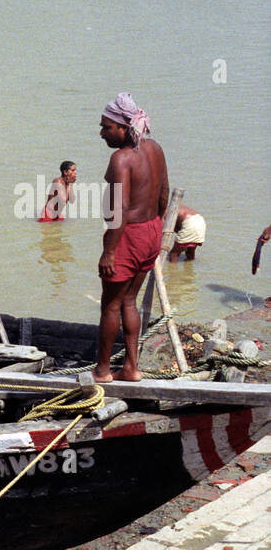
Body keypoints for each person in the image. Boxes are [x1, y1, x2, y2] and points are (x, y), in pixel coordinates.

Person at [95, 92, 169, 382]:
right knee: (129, 301)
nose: (102, 133)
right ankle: (131, 367)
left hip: (127, 235)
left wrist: (109, 251)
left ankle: (102, 371)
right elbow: (164, 191)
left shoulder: (121, 159)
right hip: (151, 230)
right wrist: (158, 229)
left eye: (106, 127)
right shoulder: (155, 149)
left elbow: (120, 208)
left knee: (111, 304)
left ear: (124, 127)